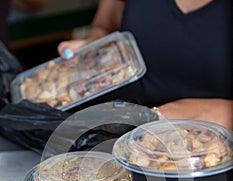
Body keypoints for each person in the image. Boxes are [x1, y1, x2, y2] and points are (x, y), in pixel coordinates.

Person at [58, 0, 233, 130]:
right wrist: (92, 47)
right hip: (129, 136)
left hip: (215, 151)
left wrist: (224, 112)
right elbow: (104, 26)